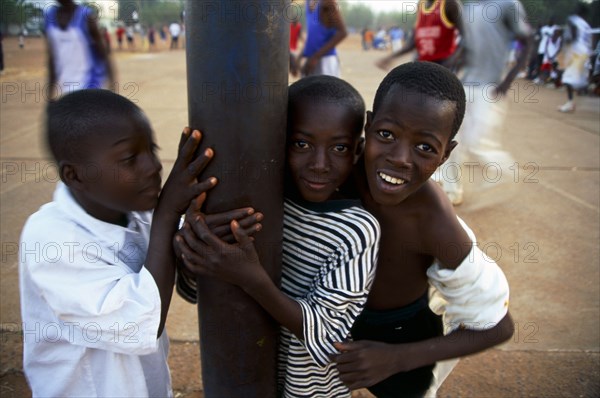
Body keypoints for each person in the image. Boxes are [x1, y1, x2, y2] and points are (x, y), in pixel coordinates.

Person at [175, 76, 381, 397]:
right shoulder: (262, 204)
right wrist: (194, 250)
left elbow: (328, 335)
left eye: (338, 148)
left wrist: (251, 279)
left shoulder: (355, 230)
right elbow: (197, 293)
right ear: (278, 142)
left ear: (357, 151)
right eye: (302, 144)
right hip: (243, 377)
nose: (319, 164)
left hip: (309, 391)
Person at [332, 61, 515, 397]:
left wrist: (396, 359)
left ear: (446, 155)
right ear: (369, 127)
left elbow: (497, 326)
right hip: (326, 320)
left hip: (400, 336)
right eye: (386, 134)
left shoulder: (435, 223)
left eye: (425, 147)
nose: (400, 158)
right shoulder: (334, 173)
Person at [19, 89, 217, 396]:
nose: (153, 167)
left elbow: (180, 245)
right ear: (75, 176)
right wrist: (168, 212)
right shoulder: (51, 239)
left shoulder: (134, 212)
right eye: (129, 158)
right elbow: (142, 324)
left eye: (151, 149)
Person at [436, 0, 532, 205]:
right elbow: (467, 45)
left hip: (489, 87)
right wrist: (450, 63)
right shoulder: (470, 8)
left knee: (477, 143)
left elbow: (527, 40)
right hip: (465, 84)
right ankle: (453, 190)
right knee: (453, 140)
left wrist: (508, 80)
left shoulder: (508, 4)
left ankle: (506, 176)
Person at [45, 0, 114, 95]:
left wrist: (112, 87)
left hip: (90, 86)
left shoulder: (86, 17)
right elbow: (52, 58)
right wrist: (49, 95)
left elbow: (104, 55)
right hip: (66, 88)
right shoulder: (49, 17)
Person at [376, 0, 463, 71]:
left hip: (444, 65)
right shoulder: (421, 5)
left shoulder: (450, 4)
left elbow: (467, 37)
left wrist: (453, 60)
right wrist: (391, 57)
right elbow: (413, 41)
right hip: (423, 64)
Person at [298, 0, 347, 77]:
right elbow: (312, 37)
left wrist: (315, 57)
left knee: (326, 88)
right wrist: (299, 58)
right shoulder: (308, 3)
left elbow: (343, 32)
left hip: (326, 61)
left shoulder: (327, 2)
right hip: (310, 61)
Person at [558, 4, 592, 113]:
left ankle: (570, 103)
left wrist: (565, 47)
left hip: (576, 52)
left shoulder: (573, 20)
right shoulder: (587, 25)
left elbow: (573, 36)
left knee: (567, 79)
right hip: (585, 53)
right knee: (577, 80)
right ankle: (586, 89)